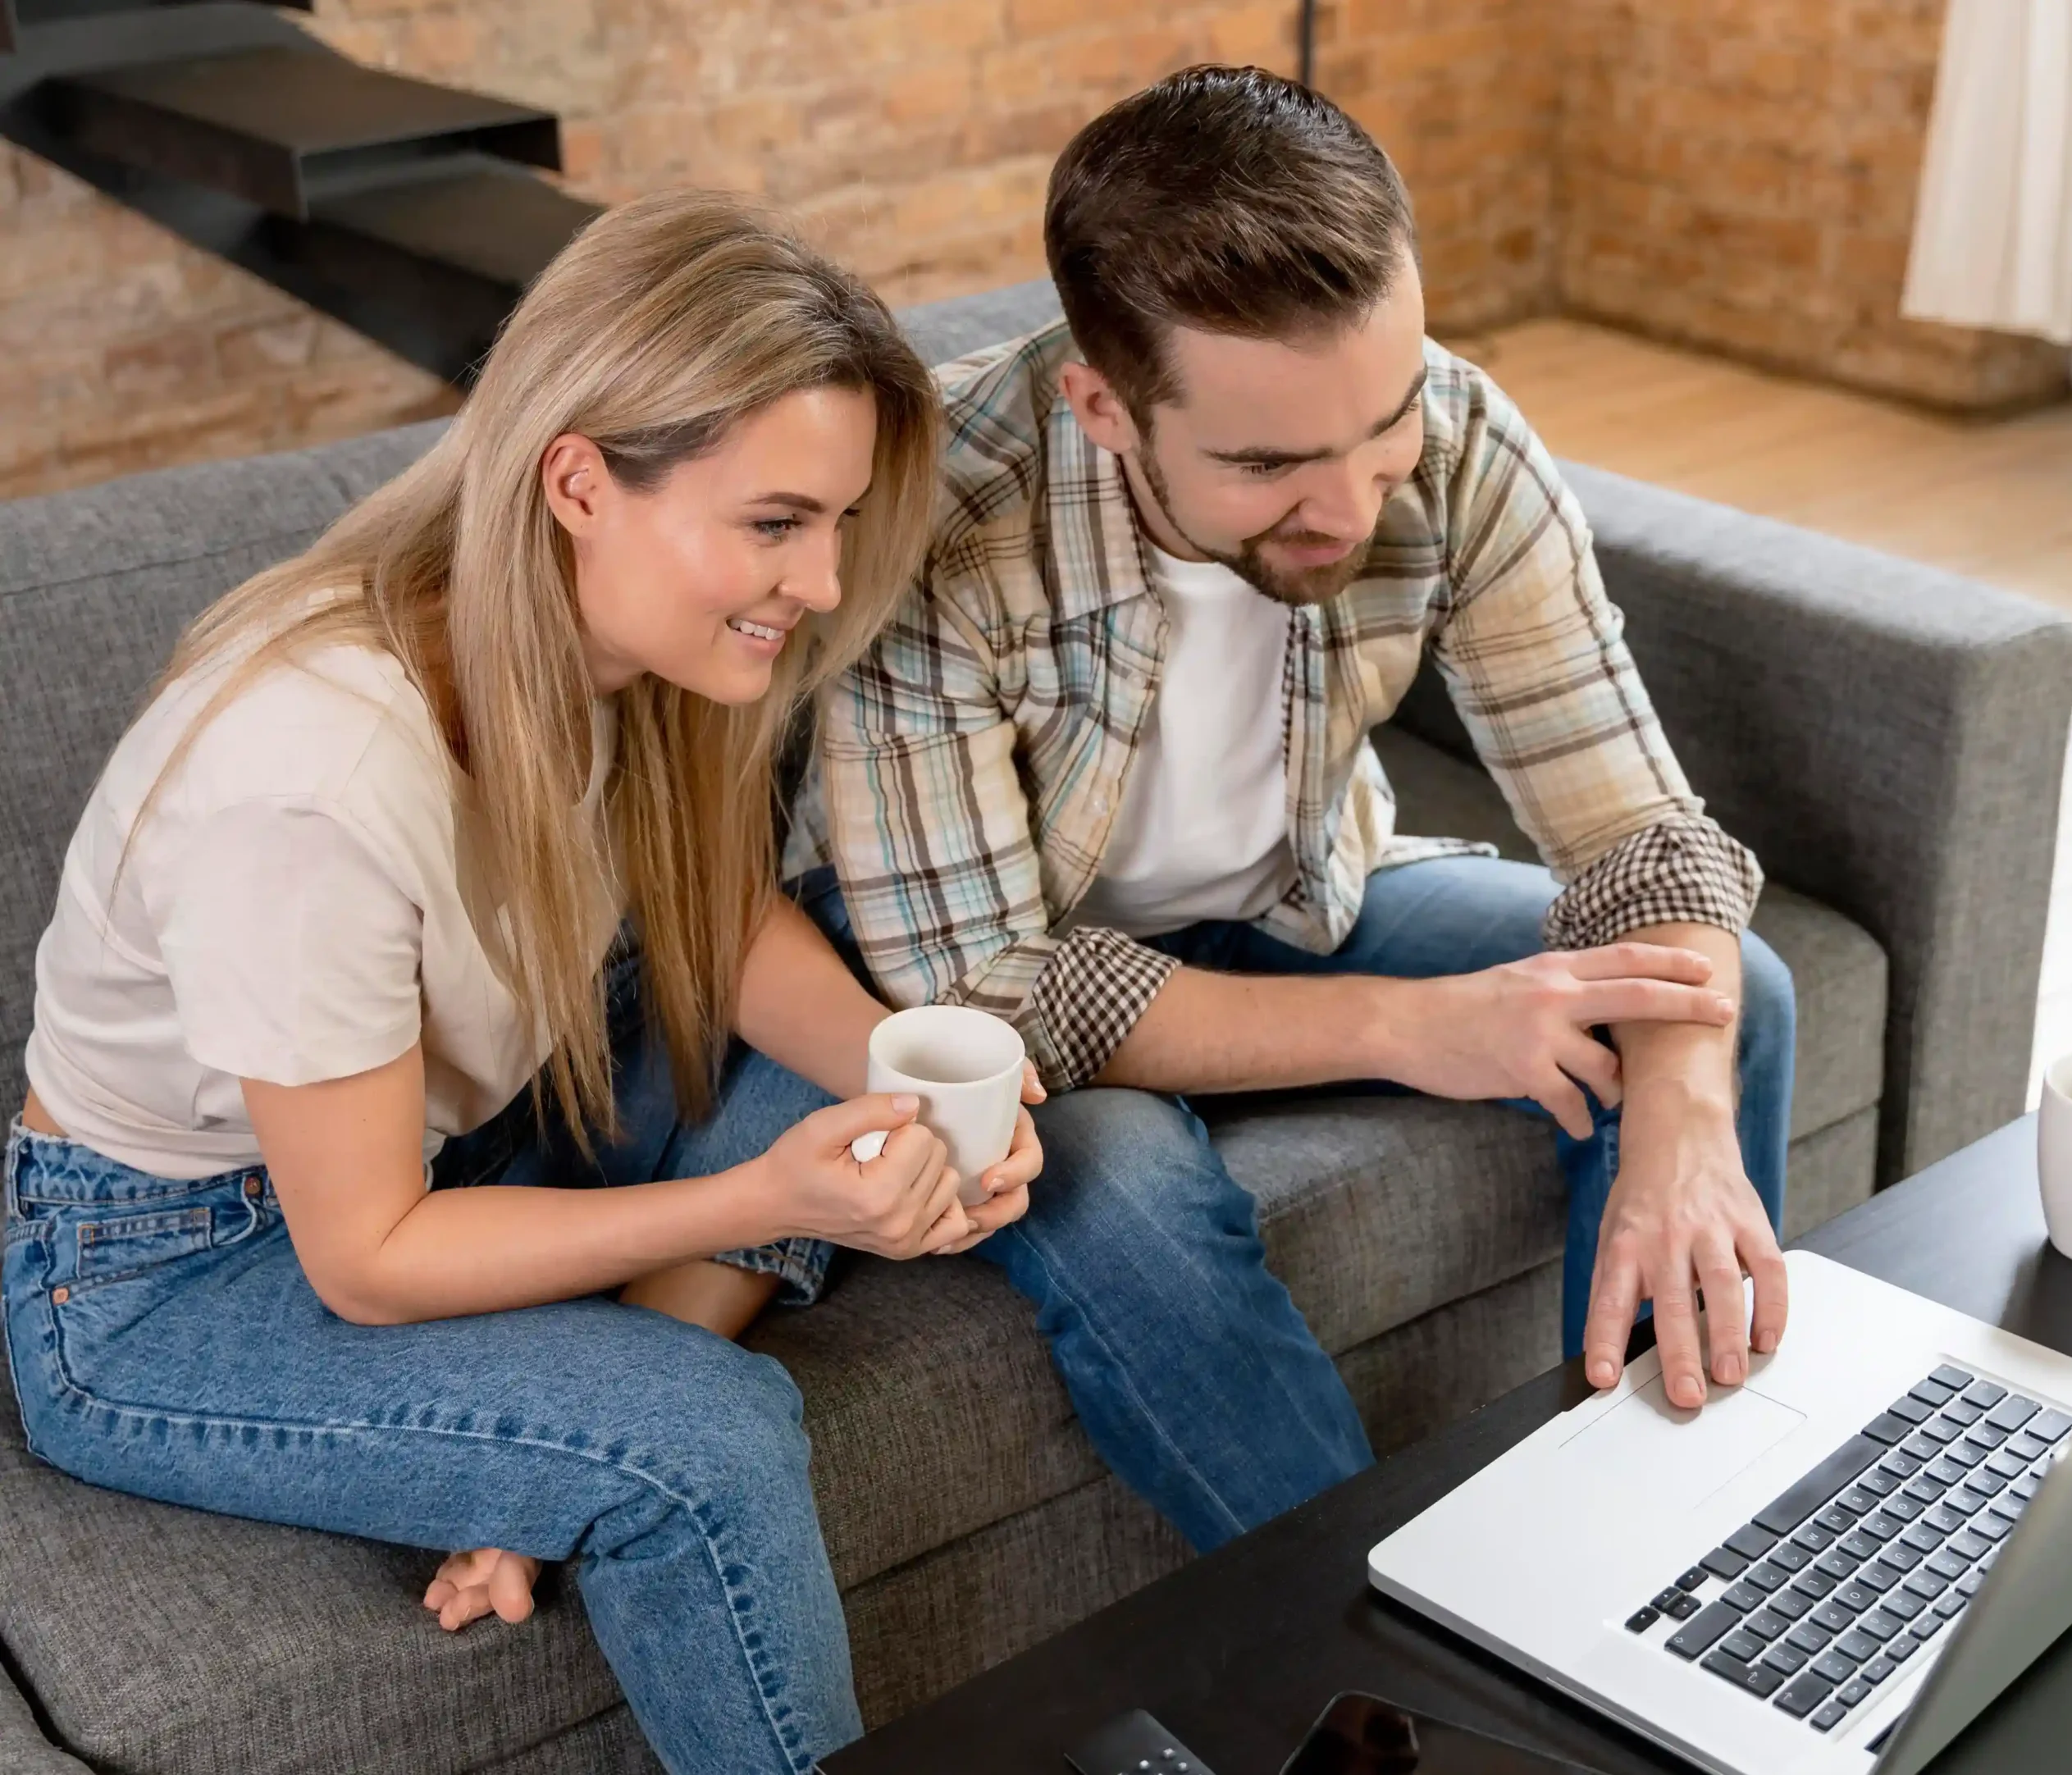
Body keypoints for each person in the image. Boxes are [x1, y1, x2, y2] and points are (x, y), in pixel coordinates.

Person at [2, 190, 1044, 1775]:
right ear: (580, 480)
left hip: (453, 1148)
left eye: (835, 524)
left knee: (857, 1053)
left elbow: (718, 922)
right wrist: (760, 1201)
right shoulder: (315, 779)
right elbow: (366, 1257)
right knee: (704, 1452)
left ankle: (578, 1409)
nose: (824, 584)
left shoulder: (620, 653)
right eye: (777, 523)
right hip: (168, 1282)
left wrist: (926, 1088)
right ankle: (617, 1405)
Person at [787, 62, 1796, 1547]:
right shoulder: (929, 525)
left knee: (1725, 997)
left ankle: (1645, 1551)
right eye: (1269, 463)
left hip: (1299, 899)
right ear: (1103, 405)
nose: (1352, 506)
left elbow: (1641, 843)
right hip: (1023, 1002)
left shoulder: (1453, 436)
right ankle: (1372, 1666)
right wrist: (1416, 1028)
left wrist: (1686, 1117)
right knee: (1111, 1190)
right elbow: (984, 988)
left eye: (1377, 425)